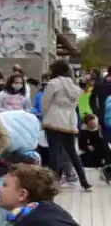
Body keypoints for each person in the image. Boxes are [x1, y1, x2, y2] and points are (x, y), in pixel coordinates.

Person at [41, 60, 92, 192]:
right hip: (69, 120)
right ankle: (84, 181)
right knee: (72, 152)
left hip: (54, 118)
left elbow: (45, 103)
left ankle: (53, 184)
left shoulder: (53, 83)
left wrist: (45, 116)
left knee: (54, 152)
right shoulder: (74, 85)